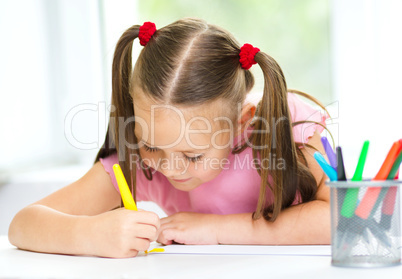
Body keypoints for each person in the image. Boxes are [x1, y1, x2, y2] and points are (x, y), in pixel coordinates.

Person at [9, 18, 331, 258]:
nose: (171, 168)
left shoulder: (286, 124)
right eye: (151, 145)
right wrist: (89, 233)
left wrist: (217, 230)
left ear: (240, 122)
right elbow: (23, 225)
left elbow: (343, 218)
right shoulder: (138, 162)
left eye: (192, 155)